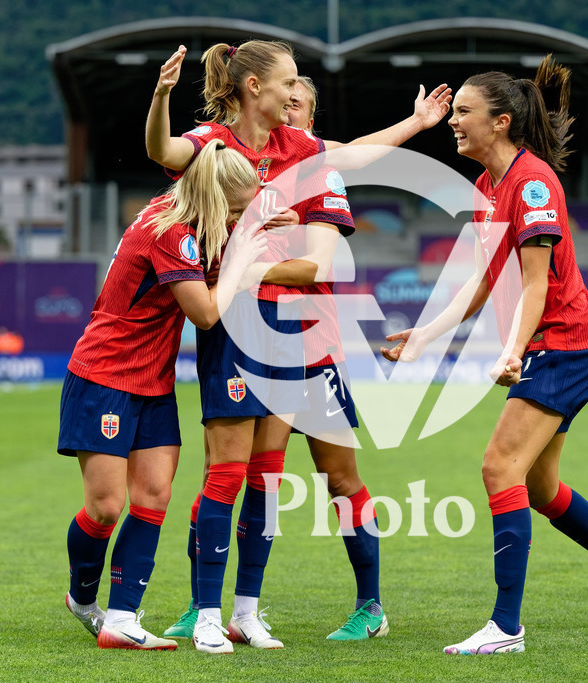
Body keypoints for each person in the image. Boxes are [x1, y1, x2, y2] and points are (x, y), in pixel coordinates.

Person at [147, 41, 450, 652]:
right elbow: (163, 151)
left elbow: (343, 201)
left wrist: (416, 125)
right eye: (290, 88)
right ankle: (208, 605)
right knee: (235, 473)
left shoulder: (311, 161)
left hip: (309, 341)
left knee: (333, 478)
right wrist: (160, 95)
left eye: (303, 98)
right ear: (256, 87)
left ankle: (366, 603)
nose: (298, 103)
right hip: (237, 332)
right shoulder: (215, 144)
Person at [382, 57, 588, 655]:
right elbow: (484, 279)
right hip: (551, 346)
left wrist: (511, 351)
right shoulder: (488, 185)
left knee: (497, 468)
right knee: (540, 488)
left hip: (563, 344)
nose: (452, 122)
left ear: (501, 122)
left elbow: (536, 283)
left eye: (463, 113)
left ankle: (506, 628)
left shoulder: (534, 184)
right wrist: (426, 335)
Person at [59, 141, 265, 651]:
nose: (239, 219)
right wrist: (244, 255)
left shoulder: (176, 214)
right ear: (214, 198)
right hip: (104, 373)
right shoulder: (171, 232)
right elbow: (206, 313)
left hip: (154, 380)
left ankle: (123, 618)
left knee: (154, 495)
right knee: (105, 508)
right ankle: (84, 598)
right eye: (236, 209)